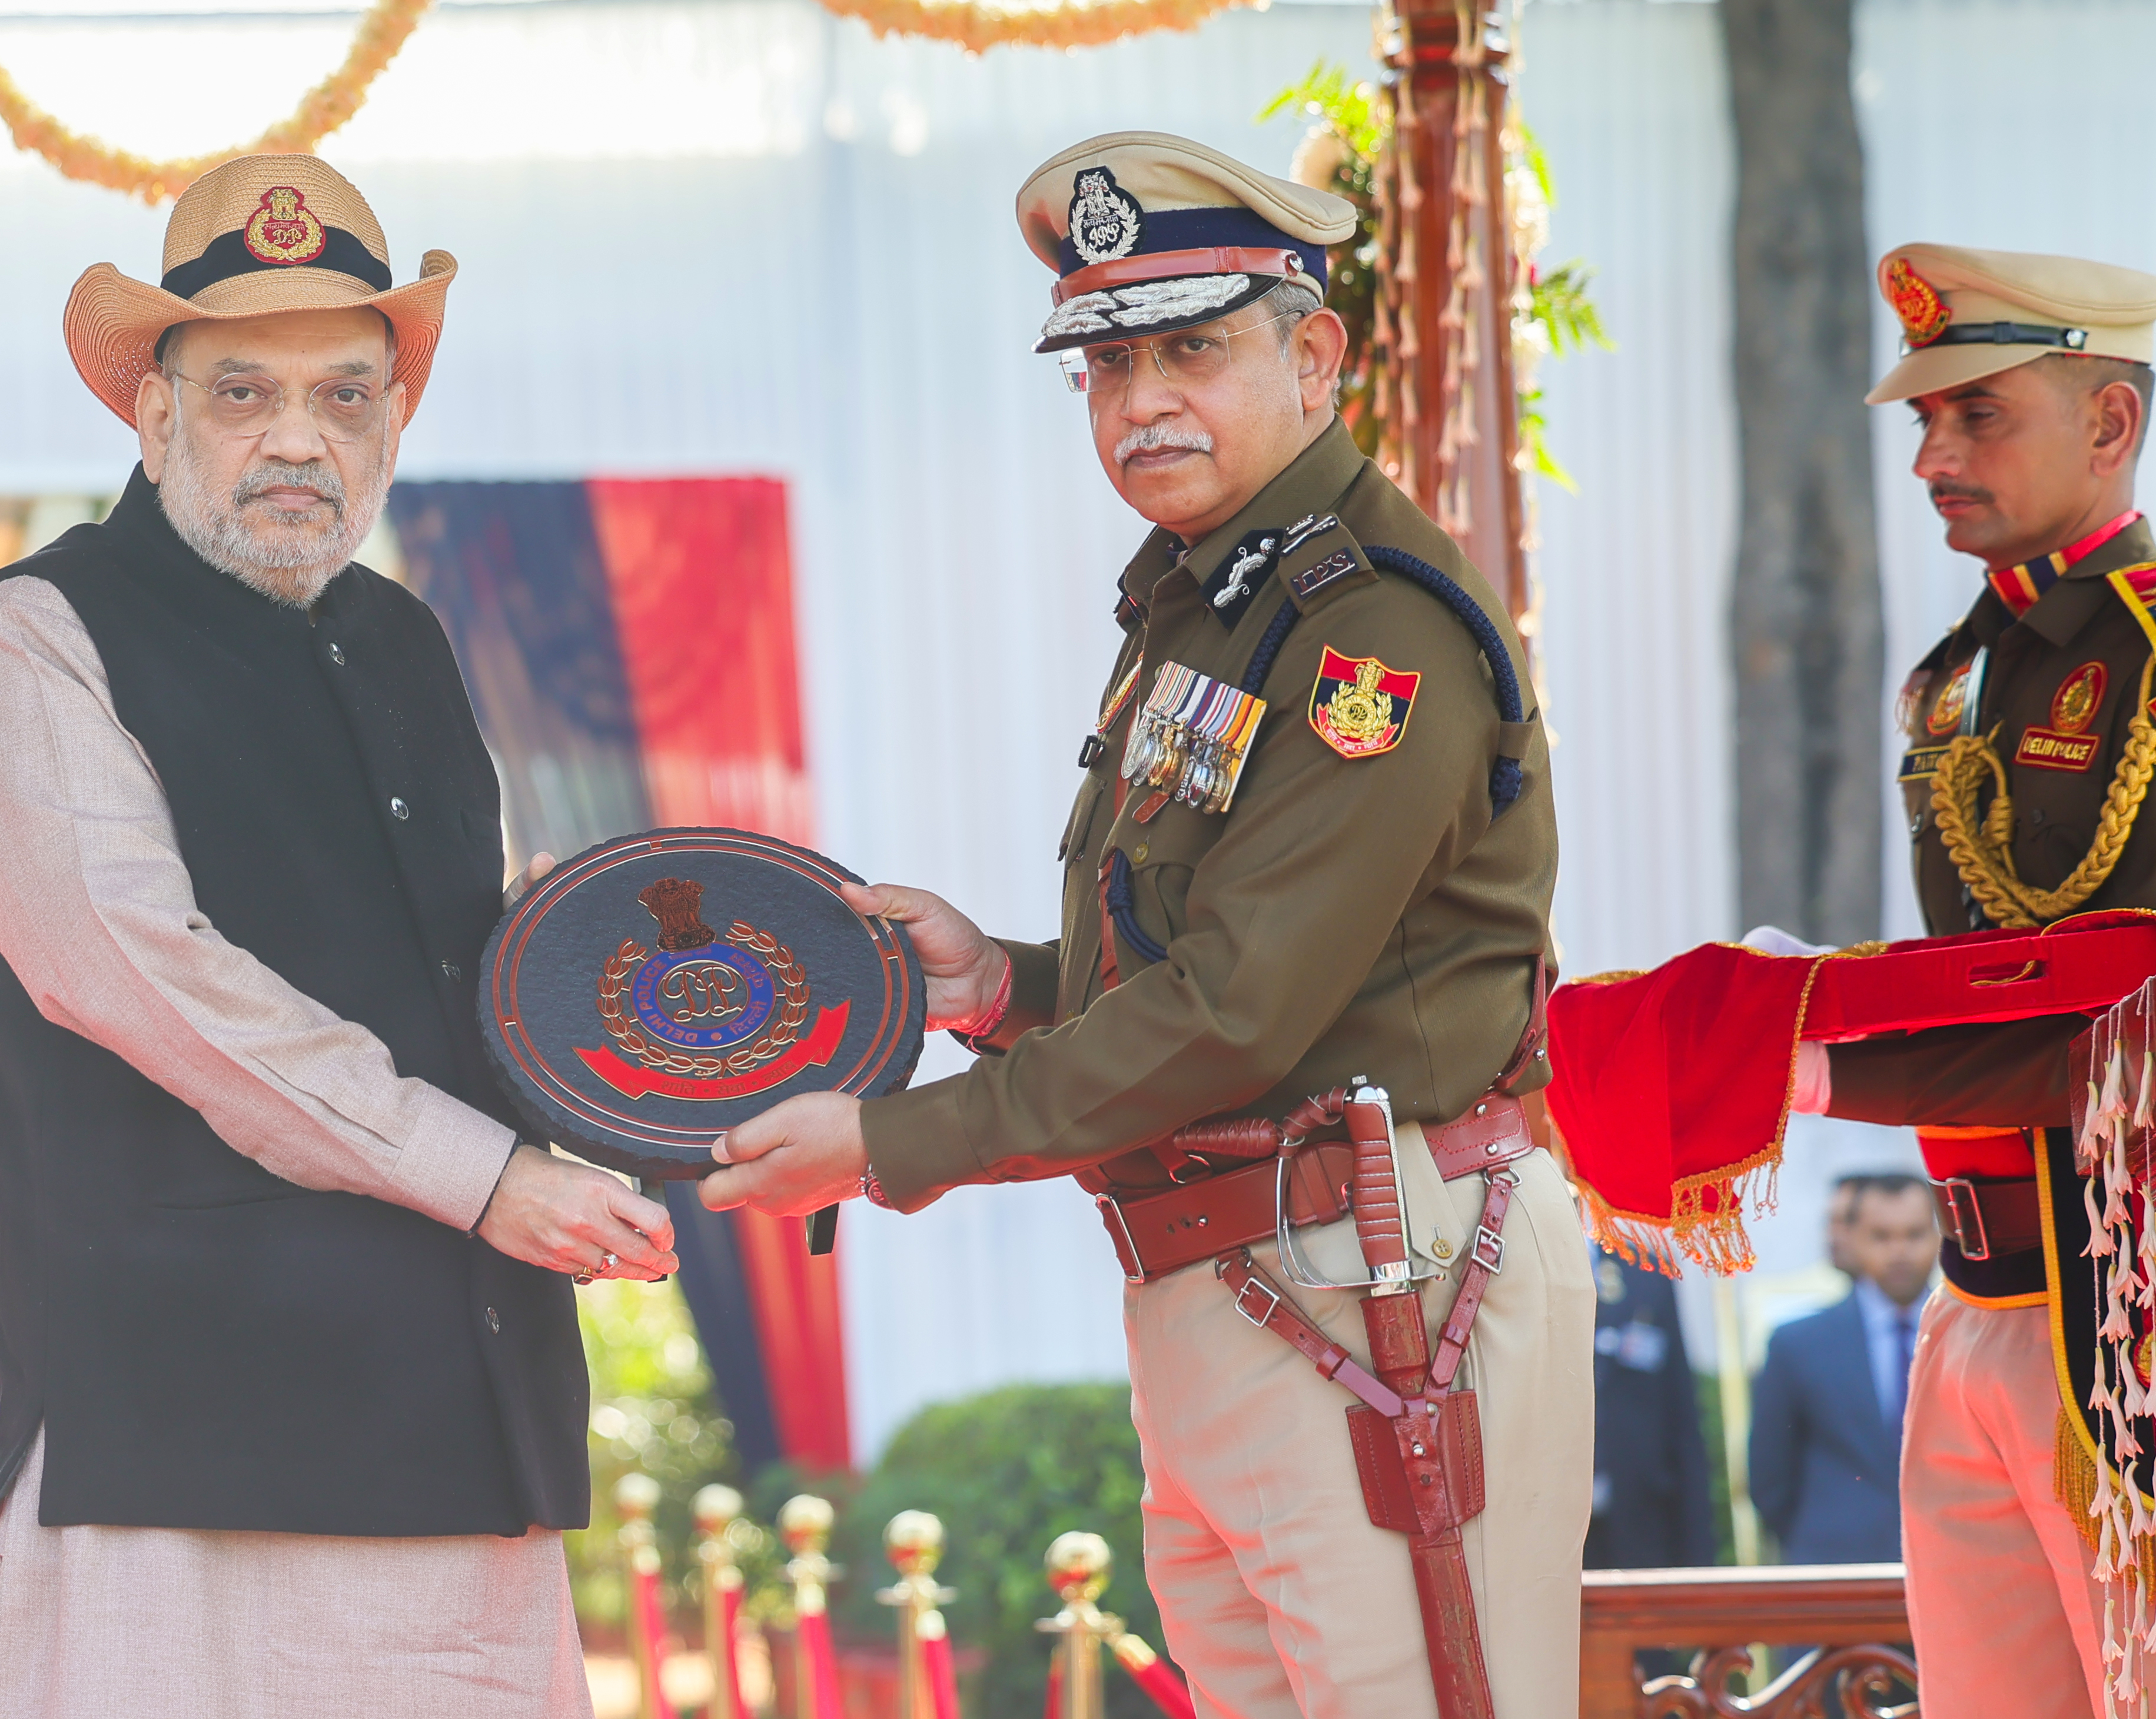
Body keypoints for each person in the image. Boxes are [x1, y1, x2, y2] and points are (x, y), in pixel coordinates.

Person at [701, 132, 1590, 1719]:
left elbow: (1239, 1009)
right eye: (1105, 363)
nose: (1137, 402)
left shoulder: (1363, 624)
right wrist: (999, 984)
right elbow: (1199, 965)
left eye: (1191, 347)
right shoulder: (1209, 597)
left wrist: (892, 1141)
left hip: (1373, 1278)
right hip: (1251, 1275)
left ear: (1313, 354)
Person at [0, 153, 677, 1718]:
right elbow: (146, 976)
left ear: (394, 424)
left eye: (345, 395)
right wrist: (489, 1178)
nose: (296, 437)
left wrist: (690, 1054)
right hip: (183, 1454)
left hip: (458, 1419)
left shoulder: (401, 638)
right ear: (150, 411)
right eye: (242, 391)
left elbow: (469, 982)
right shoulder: (44, 630)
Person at [1770, 244, 2156, 1717]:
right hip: (1974, 1279)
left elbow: (2103, 1015)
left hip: (2121, 1318)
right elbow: (1970, 968)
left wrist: (1802, 1054)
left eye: (1974, 412)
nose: (1930, 451)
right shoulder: (1952, 669)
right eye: (1918, 420)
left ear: (2107, 423)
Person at [1747, 1173, 1938, 1563]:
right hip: (1836, 1568)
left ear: (1940, 1235)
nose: (1899, 1250)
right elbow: (1769, 1479)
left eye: (1915, 1234)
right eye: (1882, 1236)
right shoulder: (1797, 1344)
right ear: (1851, 1239)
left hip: (1956, 1566)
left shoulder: (1976, 1336)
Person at [1586, 1245, 1718, 1570]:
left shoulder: (1644, 1269)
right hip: (1539, 1527)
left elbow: (1681, 1415)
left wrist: (1699, 1558)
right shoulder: (1511, 1264)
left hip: (1639, 1522)